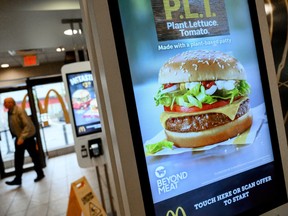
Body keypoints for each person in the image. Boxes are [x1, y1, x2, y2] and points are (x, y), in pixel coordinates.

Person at [4, 97, 45, 186]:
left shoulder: (19, 111)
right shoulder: (10, 112)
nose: (5, 104)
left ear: (12, 103)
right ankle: (18, 179)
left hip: (27, 138)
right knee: (18, 159)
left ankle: (40, 174)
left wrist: (22, 138)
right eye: (4, 103)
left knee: (34, 156)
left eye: (6, 102)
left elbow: (27, 125)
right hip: (19, 138)